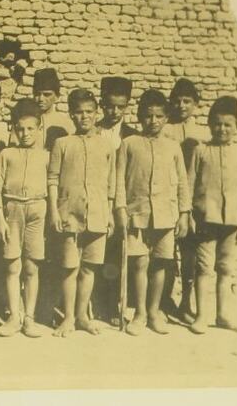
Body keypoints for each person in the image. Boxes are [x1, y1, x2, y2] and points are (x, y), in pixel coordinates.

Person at [115, 89, 191, 336]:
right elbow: (118, 179)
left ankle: (155, 310)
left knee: (160, 264)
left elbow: (182, 182)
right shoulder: (128, 144)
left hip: (165, 215)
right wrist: (121, 209)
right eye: (148, 116)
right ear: (139, 117)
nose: (153, 121)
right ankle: (140, 313)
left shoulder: (173, 147)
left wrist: (183, 213)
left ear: (166, 118)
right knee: (139, 263)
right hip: (137, 213)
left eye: (159, 116)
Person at [48, 89, 116, 337]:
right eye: (78, 112)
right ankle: (67, 318)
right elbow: (52, 179)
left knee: (89, 268)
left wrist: (109, 213)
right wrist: (55, 211)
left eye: (89, 112)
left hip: (97, 213)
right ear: (71, 115)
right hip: (69, 213)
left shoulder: (106, 145)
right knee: (69, 267)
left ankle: (82, 316)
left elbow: (112, 183)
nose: (84, 117)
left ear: (97, 113)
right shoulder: (62, 144)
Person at [0, 98, 49, 338]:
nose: (25, 134)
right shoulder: (6, 154)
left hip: (37, 209)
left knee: (31, 266)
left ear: (39, 128)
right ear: (14, 128)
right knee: (13, 264)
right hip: (12, 209)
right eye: (20, 129)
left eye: (30, 129)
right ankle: (13, 316)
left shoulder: (46, 156)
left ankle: (29, 318)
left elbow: (53, 184)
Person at [188, 96, 237, 334]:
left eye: (228, 124)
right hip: (206, 218)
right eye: (217, 124)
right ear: (210, 125)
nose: (222, 129)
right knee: (204, 267)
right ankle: (201, 315)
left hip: (232, 220)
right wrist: (187, 212)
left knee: (226, 267)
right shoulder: (201, 150)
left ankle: (223, 314)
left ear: (236, 127)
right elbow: (189, 184)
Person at [162, 78, 209, 323]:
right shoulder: (165, 130)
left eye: (187, 101)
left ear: (196, 104)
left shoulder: (203, 133)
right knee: (167, 253)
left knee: (189, 254)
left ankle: (186, 301)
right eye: (177, 101)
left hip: (194, 200)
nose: (181, 106)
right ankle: (164, 300)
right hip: (169, 198)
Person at [95, 76, 138, 323]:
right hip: (98, 199)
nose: (114, 111)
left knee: (116, 256)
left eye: (120, 107)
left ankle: (113, 306)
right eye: (110, 106)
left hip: (120, 203)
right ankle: (95, 303)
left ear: (127, 106)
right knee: (95, 255)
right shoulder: (93, 131)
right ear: (102, 104)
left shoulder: (133, 135)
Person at [10, 68, 74, 152]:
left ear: (57, 96)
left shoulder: (65, 123)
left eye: (47, 94)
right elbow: (13, 149)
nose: (41, 99)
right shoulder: (23, 121)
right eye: (37, 94)